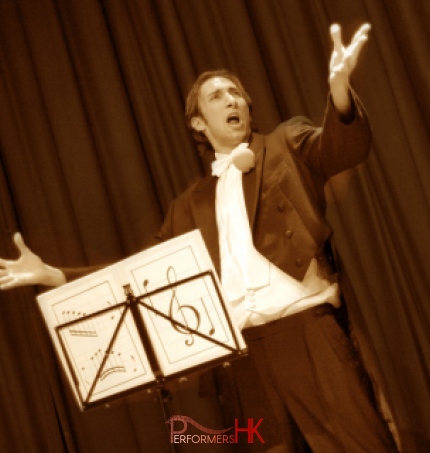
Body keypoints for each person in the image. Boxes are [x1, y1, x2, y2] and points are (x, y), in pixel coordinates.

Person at [0, 23, 398, 452]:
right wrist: (54, 275)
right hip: (243, 361)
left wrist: (339, 93)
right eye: (217, 96)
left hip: (310, 336)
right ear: (198, 122)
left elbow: (343, 149)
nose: (232, 100)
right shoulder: (189, 206)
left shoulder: (285, 143)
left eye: (236, 93)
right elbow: (134, 276)